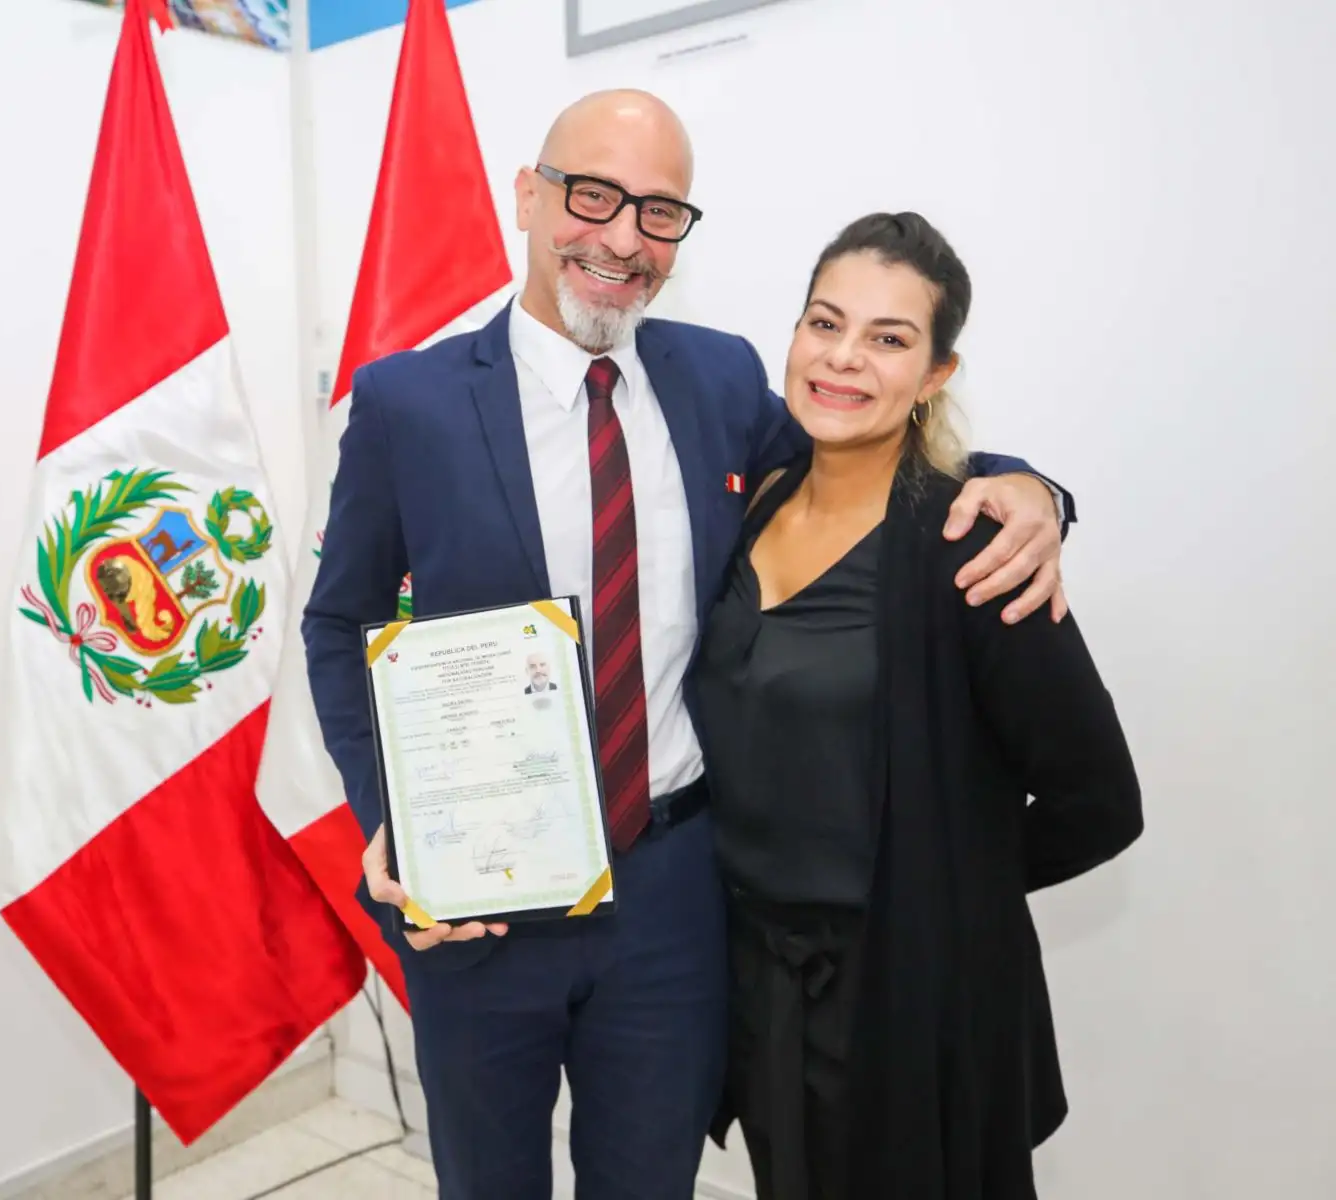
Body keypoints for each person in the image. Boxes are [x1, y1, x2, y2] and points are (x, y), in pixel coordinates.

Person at [302, 88, 1074, 1200]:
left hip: (678, 895)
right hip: (483, 895)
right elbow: (338, 622)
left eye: (659, 212)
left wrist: (1030, 485)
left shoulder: (716, 382)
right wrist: (391, 814)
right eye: (594, 196)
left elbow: (864, 460)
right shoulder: (408, 403)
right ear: (529, 196)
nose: (622, 239)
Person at [692, 211, 1142, 1199]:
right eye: (825, 322)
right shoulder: (751, 506)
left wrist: (944, 889)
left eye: (889, 339)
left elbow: (1101, 800)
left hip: (907, 1006)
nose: (843, 358)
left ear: (935, 374)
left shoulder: (973, 545)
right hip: (761, 989)